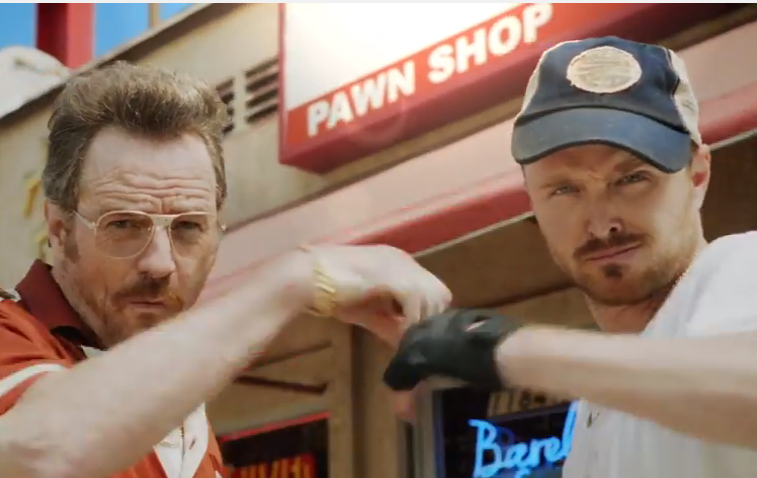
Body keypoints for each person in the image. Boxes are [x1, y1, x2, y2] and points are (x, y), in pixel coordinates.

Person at [0, 62, 451, 478]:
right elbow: (40, 452)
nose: (160, 263)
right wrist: (294, 280)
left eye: (188, 227)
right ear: (59, 229)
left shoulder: (177, 403)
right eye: (123, 225)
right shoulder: (13, 333)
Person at [383, 36, 757, 478]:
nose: (601, 224)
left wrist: (505, 349)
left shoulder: (738, 268)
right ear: (532, 202)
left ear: (697, 176)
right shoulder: (595, 408)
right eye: (564, 189)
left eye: (632, 178)